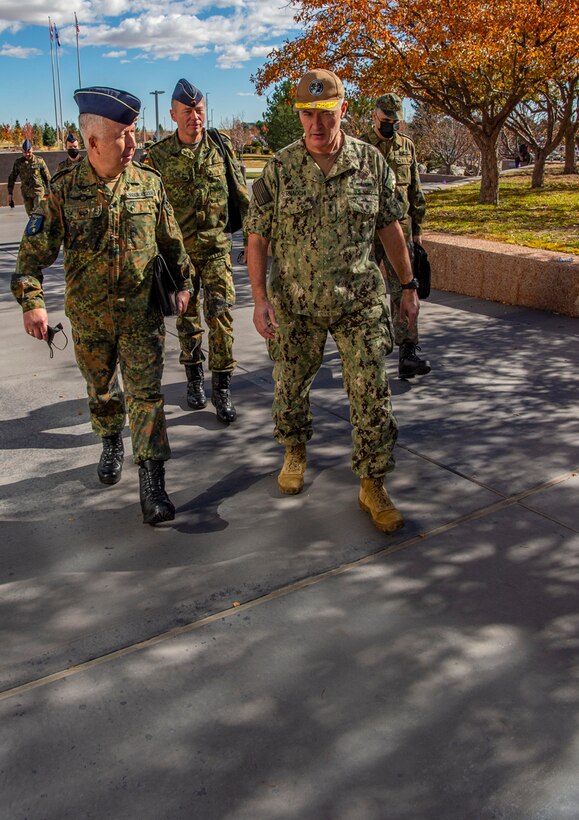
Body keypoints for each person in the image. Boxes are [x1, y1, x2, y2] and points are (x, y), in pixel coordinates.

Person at [246, 69, 419, 533]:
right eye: (306, 114)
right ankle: (295, 450)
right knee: (289, 386)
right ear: (298, 115)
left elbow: (390, 229)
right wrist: (260, 299)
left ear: (343, 109)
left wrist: (408, 286)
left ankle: (373, 482)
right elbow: (257, 238)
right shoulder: (279, 169)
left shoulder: (370, 162)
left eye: (325, 114)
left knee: (370, 393)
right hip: (296, 303)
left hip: (358, 300)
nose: (315, 125)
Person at [11, 86, 194, 526]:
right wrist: (32, 304)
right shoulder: (64, 191)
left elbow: (172, 243)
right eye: (122, 136)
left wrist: (184, 283)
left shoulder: (149, 184)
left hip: (141, 317)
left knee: (147, 397)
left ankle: (153, 482)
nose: (132, 145)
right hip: (90, 320)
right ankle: (111, 437)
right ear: (92, 142)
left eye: (134, 133)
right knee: (103, 391)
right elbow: (30, 259)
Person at [146, 79, 250, 424]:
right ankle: (194, 380)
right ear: (174, 114)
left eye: (200, 110)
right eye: (188, 111)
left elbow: (240, 193)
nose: (195, 117)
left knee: (222, 318)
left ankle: (222, 387)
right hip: (182, 258)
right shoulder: (158, 156)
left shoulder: (221, 147)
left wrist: (249, 236)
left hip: (217, 250)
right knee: (188, 323)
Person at [359, 93, 430, 380]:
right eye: (386, 121)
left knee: (405, 289)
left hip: (399, 229)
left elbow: (416, 194)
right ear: (374, 116)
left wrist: (418, 234)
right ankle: (364, 347)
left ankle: (408, 352)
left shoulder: (407, 148)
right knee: (363, 292)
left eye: (395, 122)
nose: (391, 126)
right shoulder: (359, 147)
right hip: (367, 231)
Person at [8, 139, 51, 215]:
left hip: (38, 192)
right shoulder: (19, 162)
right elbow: (12, 178)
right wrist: (10, 194)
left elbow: (47, 177)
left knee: (38, 214)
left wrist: (49, 192)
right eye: (25, 152)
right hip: (26, 194)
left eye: (29, 152)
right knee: (30, 215)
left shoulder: (39, 161)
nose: (27, 154)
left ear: (32, 149)